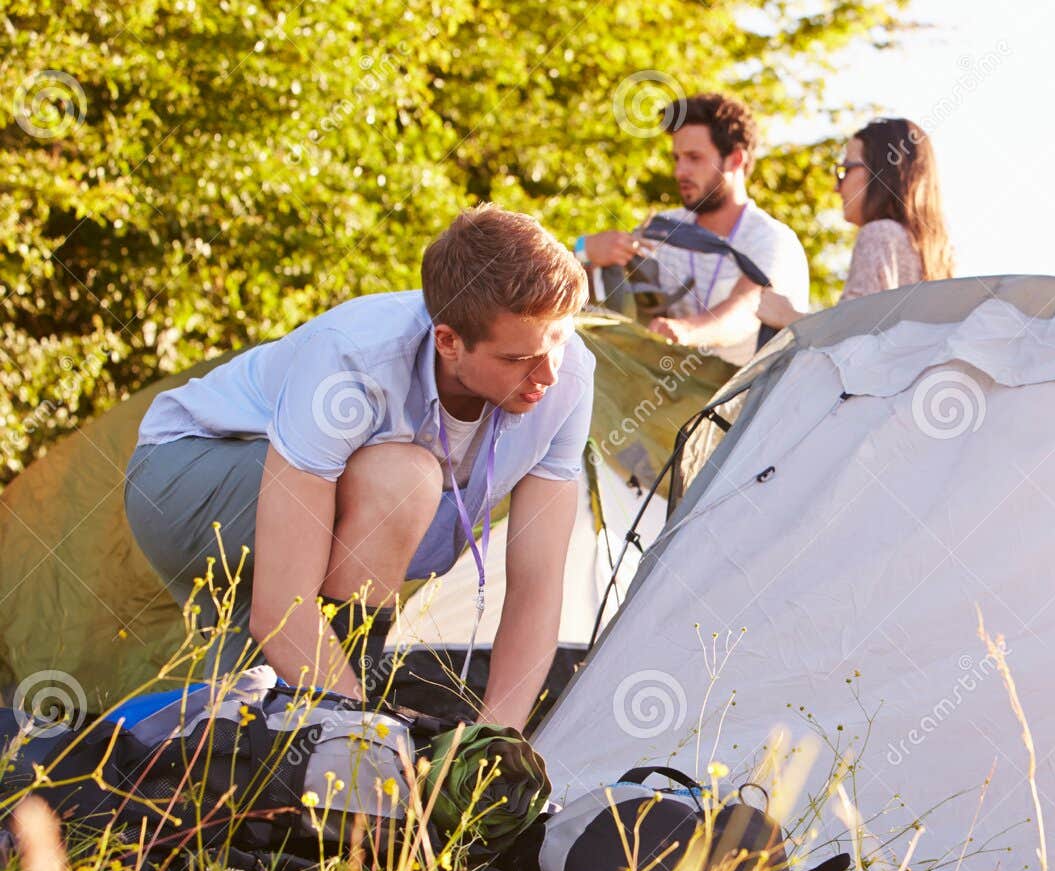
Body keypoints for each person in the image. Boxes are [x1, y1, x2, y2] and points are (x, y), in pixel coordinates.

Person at [124, 204, 594, 730]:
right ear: (448, 341)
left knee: (244, 728)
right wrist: (367, 738)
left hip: (302, 513)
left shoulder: (567, 377)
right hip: (185, 476)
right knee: (405, 479)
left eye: (559, 341)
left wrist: (492, 741)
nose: (548, 373)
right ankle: (350, 719)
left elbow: (537, 583)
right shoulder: (354, 360)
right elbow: (281, 607)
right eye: (517, 358)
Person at [574, 92, 809, 366]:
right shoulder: (661, 229)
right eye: (677, 158)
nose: (679, 171)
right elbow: (600, 303)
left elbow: (747, 309)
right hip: (660, 398)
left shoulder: (771, 239)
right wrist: (584, 253)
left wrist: (686, 330)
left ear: (735, 159)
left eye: (694, 158)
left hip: (745, 402)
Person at [756, 117, 954, 329]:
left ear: (881, 172)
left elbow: (851, 338)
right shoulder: (934, 254)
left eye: (845, 170)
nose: (836, 187)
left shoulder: (879, 234)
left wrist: (787, 317)